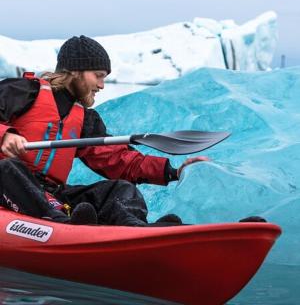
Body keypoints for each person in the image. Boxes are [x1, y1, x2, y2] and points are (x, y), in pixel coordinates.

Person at [0, 35, 208, 226]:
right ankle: (61, 224)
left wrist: (173, 172)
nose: (101, 85)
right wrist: (5, 134)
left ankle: (133, 227)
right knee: (8, 168)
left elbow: (118, 159)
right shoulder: (22, 92)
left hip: (51, 197)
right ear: (75, 70)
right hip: (7, 189)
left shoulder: (85, 119)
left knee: (120, 189)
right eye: (98, 76)